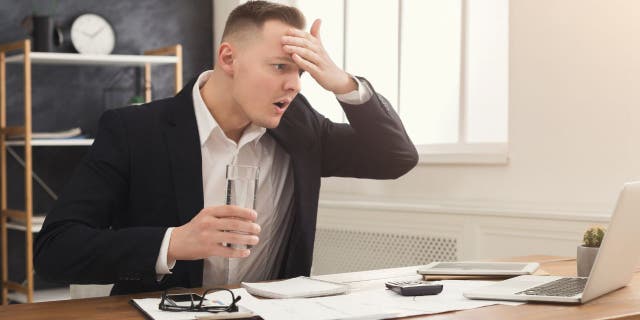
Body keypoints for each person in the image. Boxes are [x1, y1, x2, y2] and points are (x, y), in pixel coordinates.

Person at [34, 0, 418, 295]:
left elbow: (395, 156)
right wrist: (173, 242)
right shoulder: (133, 130)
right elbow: (55, 250)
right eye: (281, 66)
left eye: (302, 70)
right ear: (229, 58)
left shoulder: (300, 126)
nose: (296, 84)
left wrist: (343, 83)